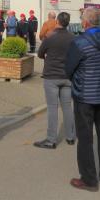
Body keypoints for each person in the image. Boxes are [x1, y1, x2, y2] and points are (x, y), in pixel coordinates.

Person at [65, 7, 100, 191]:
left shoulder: (79, 42)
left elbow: (69, 69)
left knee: (85, 138)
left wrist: (78, 81)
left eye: (81, 19)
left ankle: (89, 179)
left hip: (85, 96)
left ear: (86, 22)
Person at [34, 12, 76, 149]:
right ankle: (70, 137)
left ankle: (51, 140)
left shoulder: (50, 37)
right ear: (68, 22)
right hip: (67, 77)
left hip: (51, 76)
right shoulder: (73, 38)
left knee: (52, 108)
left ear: (57, 21)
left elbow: (40, 54)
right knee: (67, 107)